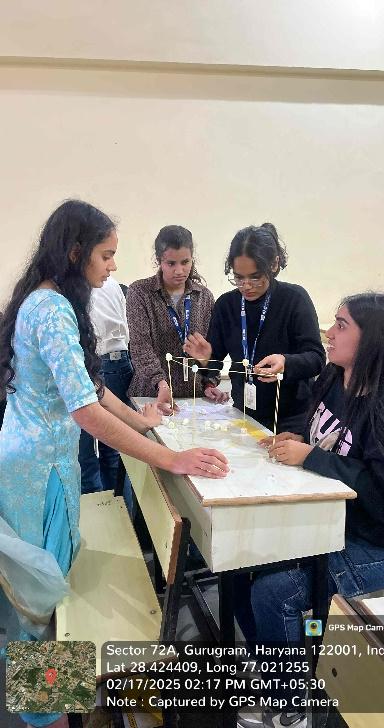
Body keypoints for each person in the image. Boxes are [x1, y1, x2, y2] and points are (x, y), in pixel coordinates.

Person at [0, 200, 228, 728]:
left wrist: (143, 422)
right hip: (38, 470)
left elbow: (93, 389)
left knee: (43, 591)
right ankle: (49, 715)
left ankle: (60, 701)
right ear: (75, 252)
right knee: (39, 601)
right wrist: (169, 456)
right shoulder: (52, 309)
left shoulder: (49, 300)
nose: (113, 265)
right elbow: (86, 411)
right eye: (106, 255)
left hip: (39, 460)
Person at [238, 292, 384, 728]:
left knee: (274, 593)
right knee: (244, 563)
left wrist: (311, 457)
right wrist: (293, 439)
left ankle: (292, 705)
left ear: (371, 339)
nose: (329, 334)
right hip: (333, 521)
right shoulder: (335, 376)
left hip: (382, 544)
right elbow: (317, 430)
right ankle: (278, 666)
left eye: (341, 325)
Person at [185, 223, 325, 433]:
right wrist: (205, 359)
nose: (246, 286)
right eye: (239, 278)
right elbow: (213, 366)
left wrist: (286, 362)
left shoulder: (294, 299)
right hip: (244, 413)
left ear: (274, 264)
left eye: (255, 277)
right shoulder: (227, 305)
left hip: (291, 418)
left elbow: (317, 358)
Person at [126, 224, 228, 413]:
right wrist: (160, 383)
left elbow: (211, 348)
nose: (179, 270)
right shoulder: (140, 292)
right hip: (151, 395)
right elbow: (140, 348)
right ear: (159, 261)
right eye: (171, 263)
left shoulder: (204, 296)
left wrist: (209, 383)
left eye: (185, 262)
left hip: (195, 398)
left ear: (192, 259)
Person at [78, 275, 134, 511]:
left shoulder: (75, 286)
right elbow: (125, 327)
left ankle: (98, 518)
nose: (111, 266)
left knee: (85, 455)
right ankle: (119, 517)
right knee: (114, 450)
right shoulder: (114, 285)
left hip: (91, 363)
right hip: (118, 362)